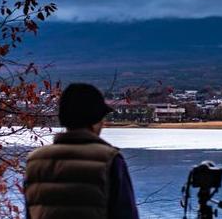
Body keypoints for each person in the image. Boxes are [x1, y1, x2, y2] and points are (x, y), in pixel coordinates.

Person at [24, 83, 139, 219]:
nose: (103, 123)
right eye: (102, 117)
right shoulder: (110, 159)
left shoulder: (35, 161)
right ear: (95, 119)